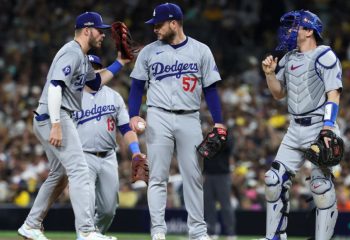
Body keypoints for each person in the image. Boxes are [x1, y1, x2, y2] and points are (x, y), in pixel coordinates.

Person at [18, 12, 130, 240]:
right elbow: (55, 86)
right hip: (55, 115)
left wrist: (120, 63)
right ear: (87, 30)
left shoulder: (81, 56)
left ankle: (31, 224)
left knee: (60, 174)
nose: (103, 35)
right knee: (79, 170)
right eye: (100, 30)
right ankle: (87, 231)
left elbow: (96, 82)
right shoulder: (71, 52)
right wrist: (57, 124)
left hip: (49, 116)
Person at [128, 3, 226, 240]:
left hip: (190, 117)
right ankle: (158, 231)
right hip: (158, 115)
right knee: (157, 176)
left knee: (192, 176)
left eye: (159, 24)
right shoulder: (149, 52)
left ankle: (198, 232)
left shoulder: (201, 50)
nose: (155, 29)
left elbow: (211, 89)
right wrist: (133, 114)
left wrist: (219, 121)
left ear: (174, 23)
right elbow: (137, 86)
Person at [261, 10, 343, 240]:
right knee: (273, 180)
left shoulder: (324, 55)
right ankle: (274, 237)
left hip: (319, 126)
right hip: (294, 128)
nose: (288, 31)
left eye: (294, 26)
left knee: (320, 186)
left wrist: (328, 127)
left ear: (309, 30)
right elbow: (279, 94)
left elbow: (333, 94)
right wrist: (269, 74)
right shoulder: (288, 58)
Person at [71, 54, 146, 234]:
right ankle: (86, 235)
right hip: (83, 157)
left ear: (102, 69)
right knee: (85, 206)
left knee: (108, 209)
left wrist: (136, 152)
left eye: (96, 67)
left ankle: (95, 234)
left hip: (108, 157)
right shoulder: (73, 96)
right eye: (88, 67)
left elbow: (126, 129)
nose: (92, 70)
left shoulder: (114, 97)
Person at [203, 132, 236, 240]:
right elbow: (203, 152)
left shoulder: (227, 136)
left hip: (222, 175)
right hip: (208, 175)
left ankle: (230, 233)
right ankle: (211, 231)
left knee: (225, 205)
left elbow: (229, 146)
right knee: (209, 205)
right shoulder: (207, 135)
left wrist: (217, 136)